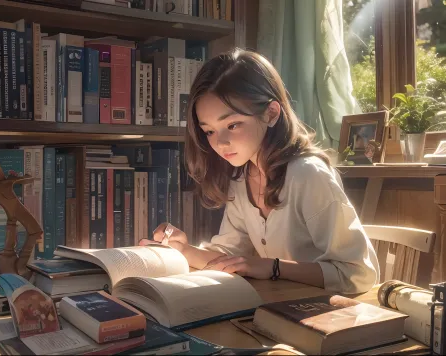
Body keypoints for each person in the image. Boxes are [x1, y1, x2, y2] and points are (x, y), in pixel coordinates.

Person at [140, 48, 379, 294]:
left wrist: (274, 267)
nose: (220, 143)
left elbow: (357, 273)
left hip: (328, 318)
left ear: (271, 113)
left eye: (232, 125)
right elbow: (233, 257)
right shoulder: (242, 176)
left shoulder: (308, 174)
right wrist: (182, 250)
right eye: (209, 131)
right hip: (276, 310)